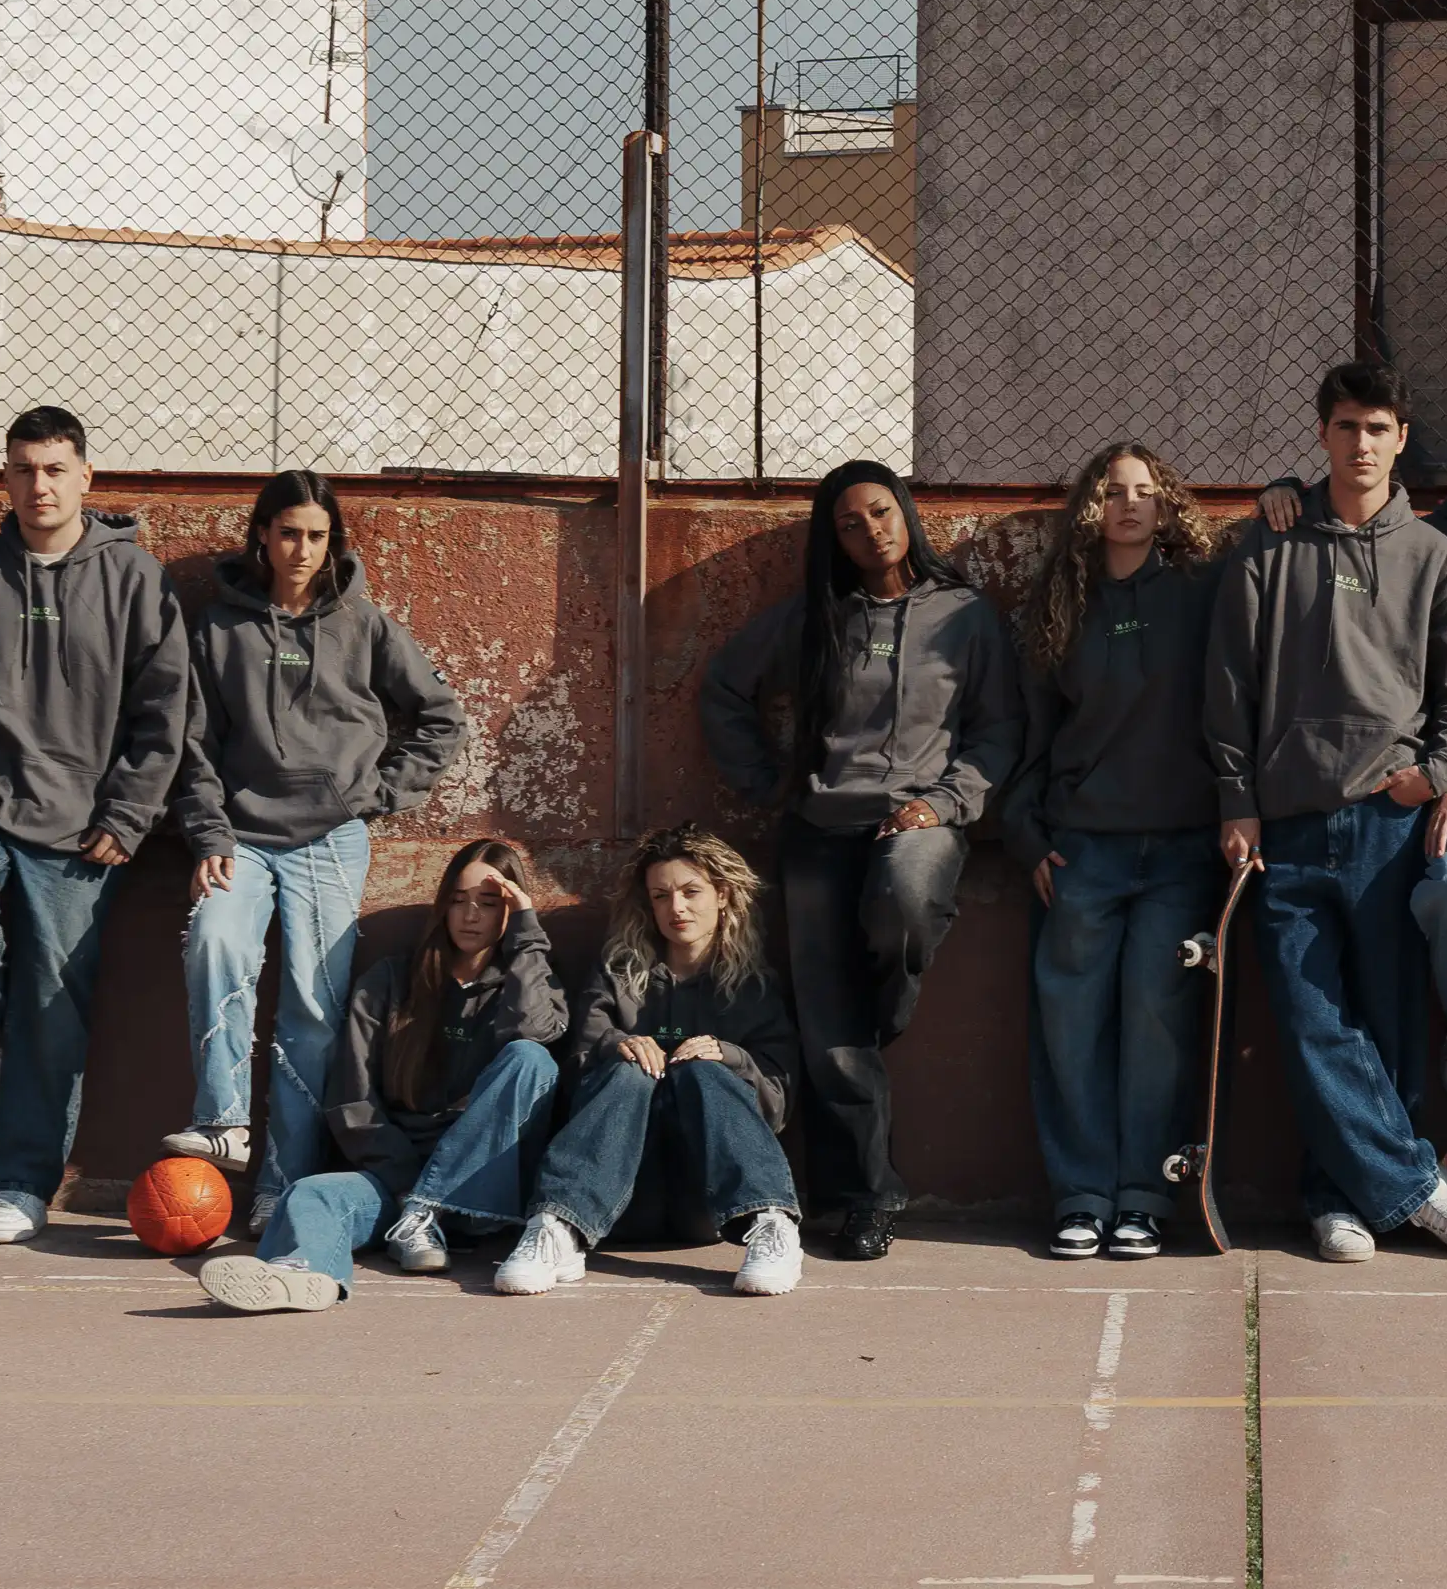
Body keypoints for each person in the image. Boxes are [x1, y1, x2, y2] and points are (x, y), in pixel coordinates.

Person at [1202, 361, 1447, 1264]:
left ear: (1402, 437)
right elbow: (1228, 688)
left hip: (1389, 824)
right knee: (1308, 1020)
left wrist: (1436, 771)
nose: (1363, 444)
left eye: (1379, 428)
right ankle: (1417, 1189)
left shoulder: (1433, 556)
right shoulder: (1269, 546)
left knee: (1385, 1021)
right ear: (1324, 434)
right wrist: (1238, 801)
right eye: (1347, 427)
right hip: (1287, 822)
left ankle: (1339, 1201)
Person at [698, 461, 1020, 1262]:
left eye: (882, 512)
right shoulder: (815, 617)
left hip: (919, 822)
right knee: (831, 1035)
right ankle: (868, 1198)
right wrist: (769, 781)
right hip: (818, 829)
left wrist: (943, 803)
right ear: (832, 538)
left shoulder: (965, 617)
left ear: (906, 514)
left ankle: (884, 1011)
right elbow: (724, 691)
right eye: (851, 523)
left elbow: (1000, 731)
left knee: (904, 901)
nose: (871, 530)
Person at [0, 406, 194, 1246]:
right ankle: (16, 1034)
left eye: (56, 469)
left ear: (87, 479)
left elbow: (163, 714)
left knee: (59, 1003)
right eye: (24, 469)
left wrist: (129, 813)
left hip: (86, 824)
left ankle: (21, 1186)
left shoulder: (136, 580)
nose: (39, 485)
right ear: (6, 478)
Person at [161, 472, 466, 1208]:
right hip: (240, 835)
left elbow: (440, 718)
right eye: (288, 532)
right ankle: (224, 1121)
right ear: (261, 534)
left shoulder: (362, 624)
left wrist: (374, 795)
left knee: (312, 1006)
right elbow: (190, 746)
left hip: (330, 838)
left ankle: (283, 1182)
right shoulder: (217, 627)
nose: (301, 549)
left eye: (316, 535)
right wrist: (207, 835)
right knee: (214, 940)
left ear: (333, 542)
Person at [1001, 443, 1222, 1260]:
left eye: (1144, 491)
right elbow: (1027, 735)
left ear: (1167, 505)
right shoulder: (1060, 602)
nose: (1128, 505)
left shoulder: (1203, 594)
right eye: (1112, 491)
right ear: (1089, 507)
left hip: (1178, 850)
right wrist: (1026, 837)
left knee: (1157, 1027)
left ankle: (1142, 1197)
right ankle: (1082, 1196)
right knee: (1071, 1029)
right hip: (1081, 852)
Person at [203, 838, 566, 1309]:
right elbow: (352, 1100)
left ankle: (428, 1207)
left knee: (528, 1057)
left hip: (480, 1192)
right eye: (458, 901)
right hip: (397, 1187)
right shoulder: (391, 980)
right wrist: (404, 1185)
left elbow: (534, 1034)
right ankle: (298, 1276)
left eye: (489, 902)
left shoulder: (530, 981)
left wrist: (526, 932)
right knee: (311, 1193)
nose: (470, 914)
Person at [500, 824, 807, 1299]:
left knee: (704, 1067)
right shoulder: (617, 974)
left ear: (723, 895)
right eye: (661, 895)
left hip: (708, 1200)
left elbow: (779, 1102)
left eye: (691, 892)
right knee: (630, 1064)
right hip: (613, 1200)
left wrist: (729, 1056)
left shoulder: (754, 988)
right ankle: (556, 1229)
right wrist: (614, 1046)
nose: (676, 908)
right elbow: (575, 1079)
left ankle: (772, 1223)